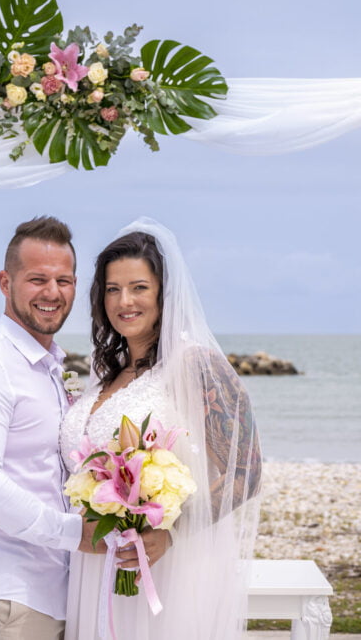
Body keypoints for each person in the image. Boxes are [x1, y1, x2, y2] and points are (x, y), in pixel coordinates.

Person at [59, 218, 263, 639]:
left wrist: (170, 533)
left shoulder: (194, 364)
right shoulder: (107, 374)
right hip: (94, 567)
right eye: (113, 289)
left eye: (139, 287)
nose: (124, 301)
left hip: (164, 569)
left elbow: (247, 470)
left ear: (163, 293)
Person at [0, 216, 101, 640]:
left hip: (54, 593)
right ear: (5, 282)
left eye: (63, 281)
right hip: (8, 600)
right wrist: (74, 533)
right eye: (37, 279)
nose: (52, 293)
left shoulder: (51, 366)